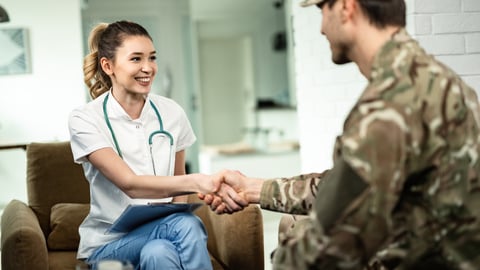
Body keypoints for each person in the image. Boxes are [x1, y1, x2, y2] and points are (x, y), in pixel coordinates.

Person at [203, 0, 480, 269]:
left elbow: (328, 246)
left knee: (296, 242)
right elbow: (342, 186)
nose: (322, 27)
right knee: (295, 222)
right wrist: (253, 188)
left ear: (347, 7)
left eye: (323, 9)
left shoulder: (388, 106)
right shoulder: (434, 79)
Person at [68, 20, 223, 270]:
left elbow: (178, 182)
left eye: (152, 57)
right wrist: (199, 181)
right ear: (108, 66)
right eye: (136, 59)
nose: (148, 68)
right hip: (109, 245)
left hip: (161, 233)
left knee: (159, 252)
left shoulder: (172, 112)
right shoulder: (85, 118)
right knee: (186, 224)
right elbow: (129, 184)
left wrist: (182, 197)